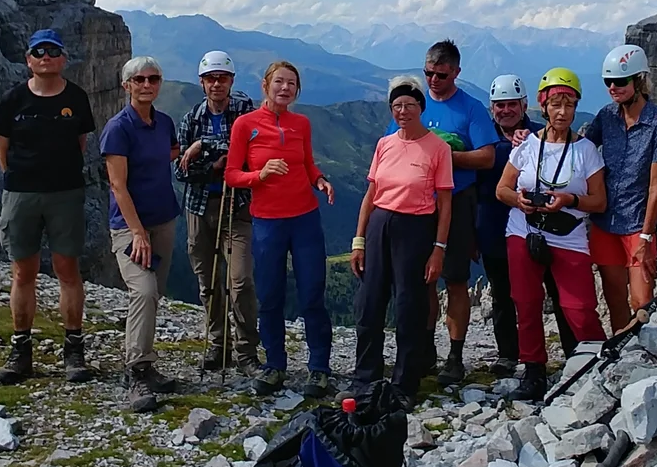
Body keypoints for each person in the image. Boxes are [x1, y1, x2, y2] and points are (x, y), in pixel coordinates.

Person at [0, 29, 98, 386]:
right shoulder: (13, 99)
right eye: (38, 51)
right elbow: (2, 148)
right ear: (28, 59)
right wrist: (20, 178)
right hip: (22, 194)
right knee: (23, 272)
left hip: (65, 192)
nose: (45, 57)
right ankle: (21, 351)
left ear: (63, 58)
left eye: (52, 51)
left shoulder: (77, 97)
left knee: (68, 269)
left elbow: (80, 143)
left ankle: (74, 350)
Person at [226, 61, 337, 398]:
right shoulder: (245, 125)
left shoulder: (301, 123)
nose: (285, 88)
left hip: (305, 218)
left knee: (312, 294)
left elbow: (307, 163)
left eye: (291, 83)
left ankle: (319, 368)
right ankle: (275, 365)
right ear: (265, 85)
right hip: (267, 221)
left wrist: (320, 180)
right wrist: (259, 176)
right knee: (270, 295)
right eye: (279, 82)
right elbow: (231, 174)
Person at [497, 68, 607, 401]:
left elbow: (599, 201)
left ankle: (596, 363)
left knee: (579, 307)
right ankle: (533, 372)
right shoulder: (527, 145)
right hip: (525, 229)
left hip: (568, 233)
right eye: (556, 105)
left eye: (569, 105)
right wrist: (518, 200)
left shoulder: (586, 151)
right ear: (543, 106)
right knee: (526, 301)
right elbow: (502, 188)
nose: (562, 112)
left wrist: (570, 200)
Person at [349, 76, 454, 399]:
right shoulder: (385, 144)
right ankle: (365, 379)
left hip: (416, 228)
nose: (403, 111)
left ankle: (405, 384)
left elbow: (445, 202)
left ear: (421, 107)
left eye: (409, 105)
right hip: (380, 223)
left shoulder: (439, 148)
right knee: (370, 303)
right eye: (397, 105)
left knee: (410, 306)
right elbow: (371, 194)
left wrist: (438, 248)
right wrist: (359, 239)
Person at [405, 40, 499, 386]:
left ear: (456, 72)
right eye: (428, 73)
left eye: (441, 75)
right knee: (424, 279)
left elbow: (487, 157)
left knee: (456, 279)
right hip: (417, 203)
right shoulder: (414, 103)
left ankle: (456, 356)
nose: (433, 80)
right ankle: (426, 350)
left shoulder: (471, 109)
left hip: (458, 201)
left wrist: (444, 156)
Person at [101, 55, 182, 412]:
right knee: (144, 291)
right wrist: (137, 233)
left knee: (154, 294)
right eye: (139, 80)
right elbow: (117, 185)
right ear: (126, 86)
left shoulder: (164, 123)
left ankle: (145, 365)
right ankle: (136, 371)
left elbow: (171, 152)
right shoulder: (118, 128)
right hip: (130, 227)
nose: (147, 85)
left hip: (164, 219)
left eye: (153, 79)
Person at [583, 44, 657, 332]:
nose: (613, 87)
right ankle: (621, 353)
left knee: (641, 302)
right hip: (605, 222)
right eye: (608, 81)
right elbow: (580, 148)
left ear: (639, 80)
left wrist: (646, 236)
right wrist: (537, 134)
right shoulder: (606, 116)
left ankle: (643, 351)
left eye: (620, 81)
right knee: (614, 300)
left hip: (637, 226)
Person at [176, 50, 257, 373]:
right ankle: (218, 344)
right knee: (207, 282)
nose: (216, 84)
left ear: (231, 80)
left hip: (237, 205)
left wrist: (204, 147)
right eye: (211, 79)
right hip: (199, 208)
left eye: (222, 78)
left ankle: (246, 351)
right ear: (202, 82)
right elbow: (181, 170)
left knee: (240, 281)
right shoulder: (190, 119)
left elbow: (249, 150)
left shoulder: (244, 110)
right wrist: (214, 165)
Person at [474, 75, 533, 377]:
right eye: (500, 105)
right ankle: (508, 353)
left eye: (512, 104)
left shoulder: (540, 135)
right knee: (501, 292)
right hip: (492, 227)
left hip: (534, 228)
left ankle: (543, 352)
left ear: (524, 105)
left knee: (540, 291)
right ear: (492, 108)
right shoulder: (481, 139)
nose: (506, 110)